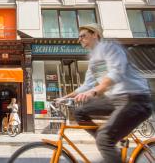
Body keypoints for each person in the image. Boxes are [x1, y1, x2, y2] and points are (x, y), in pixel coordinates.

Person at [59, 23, 153, 163]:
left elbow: (116, 73)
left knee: (104, 139)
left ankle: (106, 143)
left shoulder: (110, 47)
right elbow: (86, 86)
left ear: (95, 34)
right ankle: (109, 148)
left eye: (83, 36)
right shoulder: (93, 62)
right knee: (80, 112)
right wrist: (63, 98)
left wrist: (95, 91)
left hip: (135, 98)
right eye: (79, 37)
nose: (79, 40)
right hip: (116, 99)